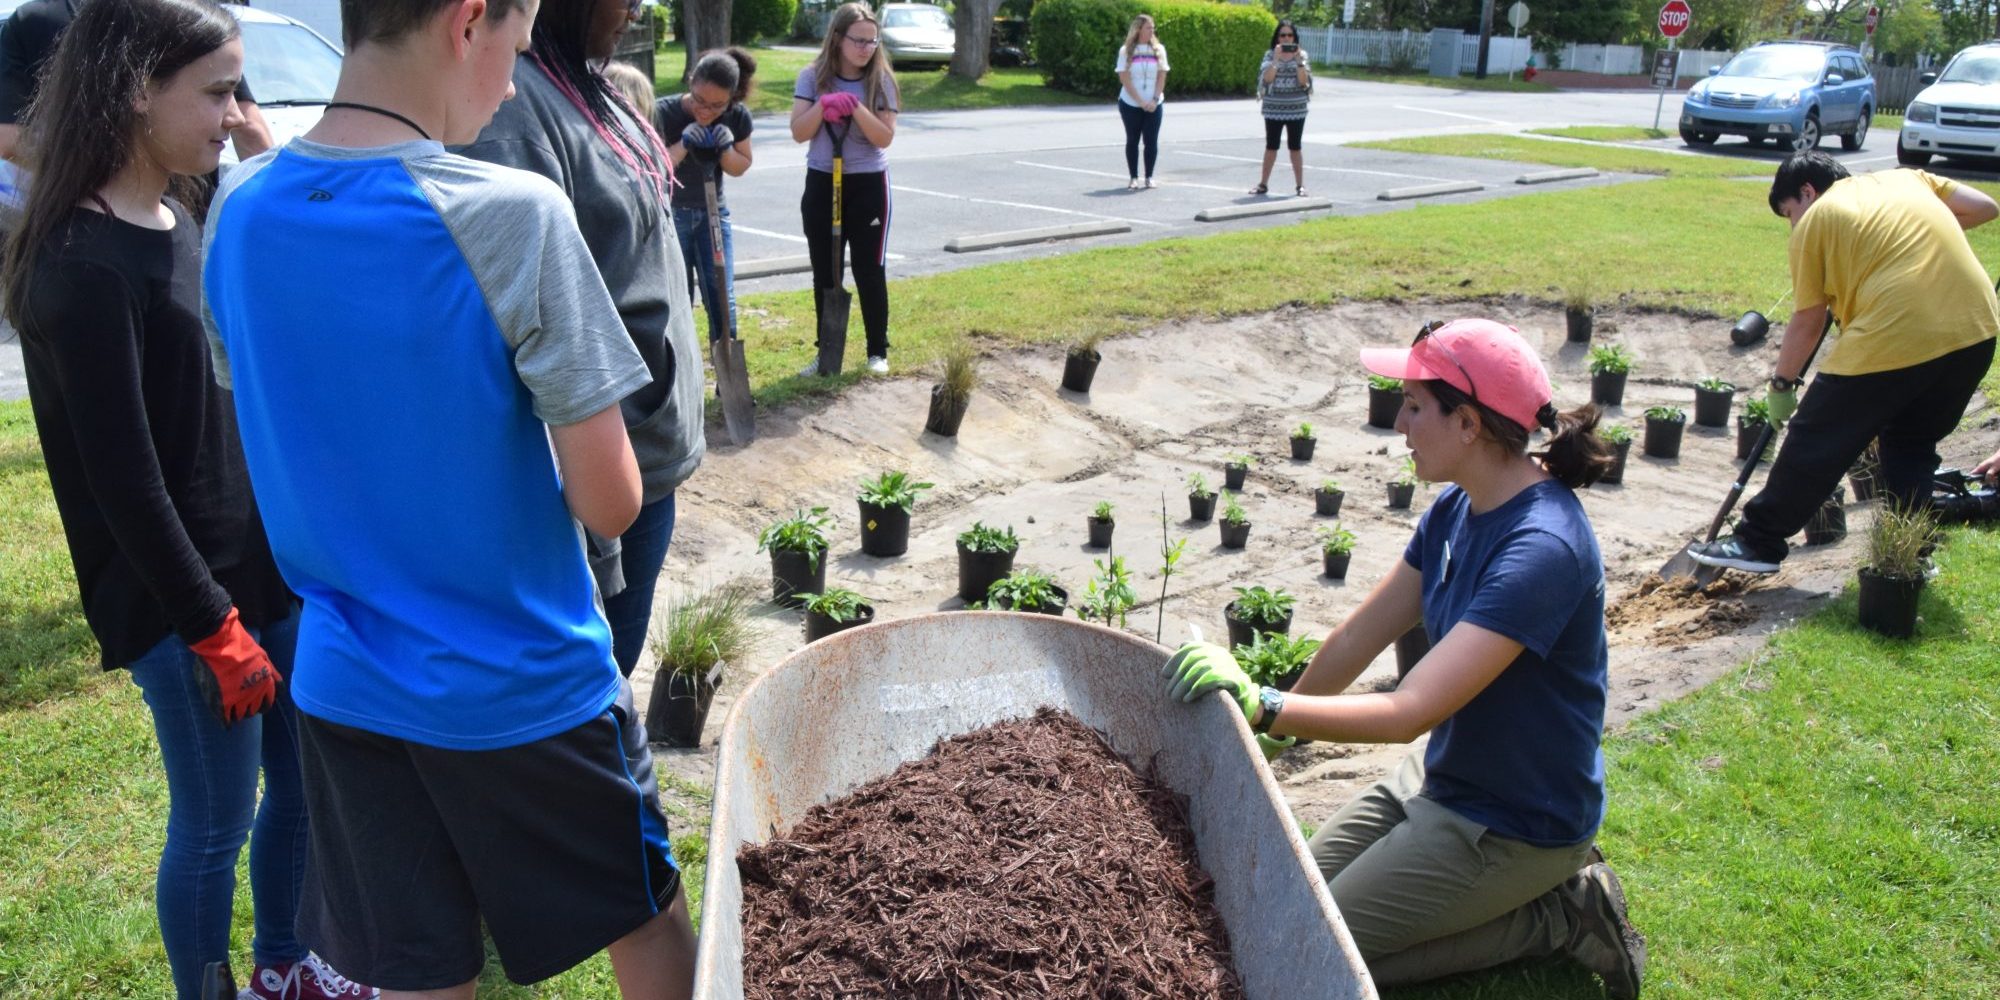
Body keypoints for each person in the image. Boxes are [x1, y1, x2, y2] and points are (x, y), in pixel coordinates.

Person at [201, 0, 698, 995]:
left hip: (345, 684)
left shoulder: (238, 210)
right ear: (469, 21)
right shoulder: (510, 213)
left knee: (419, 970)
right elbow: (610, 503)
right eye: (516, 47)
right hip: (524, 682)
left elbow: (272, 425)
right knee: (648, 927)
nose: (513, 82)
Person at [0, 2, 369, 998]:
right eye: (215, 90)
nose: (234, 109)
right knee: (215, 822)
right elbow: (122, 479)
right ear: (133, 91)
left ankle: (284, 963)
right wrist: (213, 628)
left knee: (300, 784)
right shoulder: (77, 264)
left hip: (260, 570)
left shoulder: (182, 212)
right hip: (181, 605)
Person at [1163, 319, 1646, 999]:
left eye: (1416, 405)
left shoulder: (1544, 549)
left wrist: (1264, 704)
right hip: (1439, 778)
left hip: (1514, 822)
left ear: (1470, 424)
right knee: (1270, 900)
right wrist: (1267, 737)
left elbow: (1409, 710)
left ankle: (1560, 915)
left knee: (1305, 953)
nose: (1399, 423)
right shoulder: (1456, 510)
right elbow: (1356, 640)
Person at [460, 0, 706, 679]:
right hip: (601, 473)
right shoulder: (515, 108)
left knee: (610, 675)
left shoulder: (579, 80)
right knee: (593, 687)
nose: (638, 7)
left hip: (641, 457)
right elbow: (515, 322)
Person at [1690, 151, 2000, 574]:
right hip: (1976, 331)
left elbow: (1808, 320)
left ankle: (1757, 542)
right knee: (1910, 442)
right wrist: (1891, 245)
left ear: (1807, 191)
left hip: (1898, 331)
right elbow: (1985, 207)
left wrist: (1782, 385)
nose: (1793, 224)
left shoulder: (1817, 220)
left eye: (1788, 212)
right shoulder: (1908, 180)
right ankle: (1909, 556)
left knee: (1816, 437)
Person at [792, 1, 898, 375]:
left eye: (872, 41)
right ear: (837, 38)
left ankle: (876, 351)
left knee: (870, 269)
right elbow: (799, 131)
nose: (866, 48)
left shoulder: (881, 80)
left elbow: (883, 137)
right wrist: (823, 105)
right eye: (859, 40)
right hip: (822, 180)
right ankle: (828, 352)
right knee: (826, 270)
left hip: (868, 184)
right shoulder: (812, 77)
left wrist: (854, 107)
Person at [656, 47, 757, 345]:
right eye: (700, 100)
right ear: (690, 80)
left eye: (717, 106)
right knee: (678, 297)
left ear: (732, 98)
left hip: (715, 215)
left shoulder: (736, 117)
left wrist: (726, 150)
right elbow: (656, 168)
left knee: (721, 296)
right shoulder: (663, 112)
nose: (706, 110)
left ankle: (727, 381)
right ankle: (682, 377)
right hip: (672, 216)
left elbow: (741, 165)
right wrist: (684, 143)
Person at [1251, 19, 1310, 197]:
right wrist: (1276, 60)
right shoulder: (1270, 55)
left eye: (1289, 35)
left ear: (1295, 37)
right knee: (1271, 146)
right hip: (1273, 108)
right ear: (1277, 37)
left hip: (1296, 108)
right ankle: (1263, 184)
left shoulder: (1302, 55)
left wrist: (1299, 62)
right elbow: (1267, 79)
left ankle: (1300, 186)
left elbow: (1303, 81)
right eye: (1282, 35)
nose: (1286, 39)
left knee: (1295, 147)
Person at [1114, 13, 1167, 190]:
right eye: (1148, 27)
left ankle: (1149, 176)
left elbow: (1162, 75)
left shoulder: (1159, 50)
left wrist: (1153, 99)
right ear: (1138, 29)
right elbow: (1124, 77)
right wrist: (1139, 101)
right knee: (1133, 139)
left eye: (1153, 27)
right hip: (1130, 103)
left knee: (1151, 140)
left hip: (1154, 103)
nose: (1152, 30)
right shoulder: (1126, 51)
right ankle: (1133, 177)